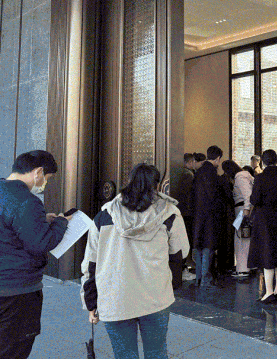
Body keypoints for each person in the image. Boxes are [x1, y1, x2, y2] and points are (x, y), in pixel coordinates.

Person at [80, 163, 189, 359]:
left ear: (128, 182)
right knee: (156, 353)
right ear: (157, 186)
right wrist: (171, 284)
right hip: (156, 297)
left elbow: (91, 264)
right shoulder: (170, 214)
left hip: (115, 298)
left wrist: (90, 301)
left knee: (124, 355)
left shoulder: (103, 216)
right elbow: (180, 254)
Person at [0, 151, 70, 359]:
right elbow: (41, 243)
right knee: (13, 349)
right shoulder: (27, 201)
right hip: (17, 290)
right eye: (47, 178)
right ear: (38, 172)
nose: (45, 184)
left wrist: (40, 221)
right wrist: (60, 223)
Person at [248, 150, 277, 303]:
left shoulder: (260, 177)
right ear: (276, 160)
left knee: (267, 253)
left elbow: (255, 199)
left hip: (264, 220)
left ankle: (269, 291)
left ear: (263, 162)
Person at [192, 145, 226, 287]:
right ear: (217, 159)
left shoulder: (198, 171)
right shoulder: (212, 172)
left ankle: (198, 278)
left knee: (199, 247)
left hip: (198, 214)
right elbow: (215, 196)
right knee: (208, 247)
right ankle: (206, 278)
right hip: (210, 216)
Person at [222, 160, 254, 279]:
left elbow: (248, 195)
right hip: (244, 210)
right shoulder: (245, 176)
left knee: (241, 239)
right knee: (244, 238)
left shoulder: (240, 177)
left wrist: (246, 211)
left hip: (242, 210)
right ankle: (248, 266)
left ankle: (242, 269)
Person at [175, 153, 196, 281]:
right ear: (190, 162)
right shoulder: (189, 175)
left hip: (181, 211)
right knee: (186, 239)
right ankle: (184, 268)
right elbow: (188, 195)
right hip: (187, 212)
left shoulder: (179, 173)